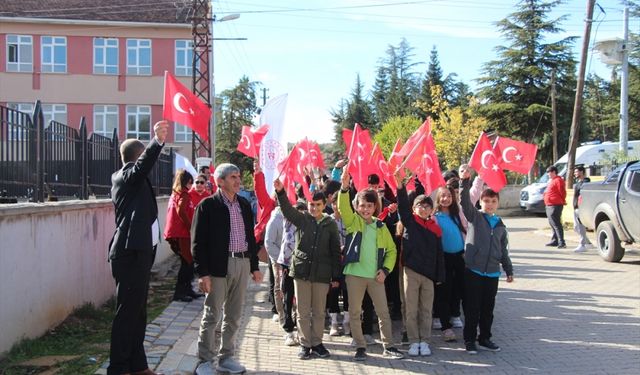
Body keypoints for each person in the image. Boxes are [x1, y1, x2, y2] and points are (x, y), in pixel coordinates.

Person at [107, 120, 168, 375]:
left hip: (140, 252)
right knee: (127, 314)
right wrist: (157, 142)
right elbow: (140, 168)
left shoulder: (135, 180)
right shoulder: (124, 176)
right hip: (128, 254)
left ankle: (138, 365)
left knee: (138, 312)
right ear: (139, 155)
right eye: (144, 155)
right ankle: (119, 368)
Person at [192, 163, 263, 375]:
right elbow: (198, 243)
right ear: (220, 181)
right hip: (218, 267)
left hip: (241, 263)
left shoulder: (242, 204)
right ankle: (205, 361)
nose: (238, 180)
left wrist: (254, 266)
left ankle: (227, 358)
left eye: (238, 176)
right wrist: (202, 273)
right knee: (213, 314)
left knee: (234, 314)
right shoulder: (207, 206)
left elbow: (249, 237)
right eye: (233, 177)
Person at [338, 168, 404, 361]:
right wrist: (344, 186)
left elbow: (392, 251)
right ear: (357, 207)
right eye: (362, 206)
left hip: (376, 277)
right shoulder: (352, 222)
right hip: (354, 276)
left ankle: (389, 346)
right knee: (355, 312)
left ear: (375, 207)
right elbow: (343, 208)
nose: (366, 209)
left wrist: (385, 270)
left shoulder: (381, 226)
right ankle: (360, 346)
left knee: (383, 312)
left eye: (369, 206)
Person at [274, 179, 342, 360]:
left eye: (318, 205)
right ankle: (305, 344)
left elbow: (336, 251)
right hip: (301, 272)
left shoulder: (330, 224)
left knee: (319, 311)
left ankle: (317, 343)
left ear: (324, 205)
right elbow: (288, 210)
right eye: (311, 205)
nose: (314, 208)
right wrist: (281, 192)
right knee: (303, 311)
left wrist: (336, 276)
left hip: (322, 274)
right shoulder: (302, 219)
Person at [459, 169, 514, 355]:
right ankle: (469, 340)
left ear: (498, 203)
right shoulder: (475, 217)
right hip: (473, 270)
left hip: (492, 273)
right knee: (472, 308)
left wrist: (508, 269)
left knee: (487, 309)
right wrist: (464, 181)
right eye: (486, 201)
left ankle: (484, 338)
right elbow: (464, 202)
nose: (490, 204)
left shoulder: (500, 225)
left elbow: (503, 250)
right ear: (480, 202)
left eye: (493, 201)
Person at [394, 171, 445, 357]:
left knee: (426, 309)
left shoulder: (436, 229)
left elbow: (440, 255)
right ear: (414, 209)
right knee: (411, 308)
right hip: (411, 271)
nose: (423, 209)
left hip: (429, 274)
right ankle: (413, 341)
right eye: (419, 206)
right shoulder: (410, 222)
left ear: (432, 209)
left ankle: (425, 341)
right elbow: (402, 207)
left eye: (427, 206)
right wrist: (400, 186)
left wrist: (440, 275)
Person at [433, 186, 467, 342]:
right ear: (438, 198)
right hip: (443, 258)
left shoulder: (457, 214)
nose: (445, 199)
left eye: (448, 196)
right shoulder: (434, 216)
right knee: (444, 291)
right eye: (442, 196)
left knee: (458, 288)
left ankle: (455, 314)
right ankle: (445, 325)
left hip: (460, 257)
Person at [164, 169, 202, 302]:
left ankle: (187, 290)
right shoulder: (184, 194)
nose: (192, 185)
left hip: (177, 233)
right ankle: (180, 293)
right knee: (188, 263)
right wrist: (192, 228)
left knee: (188, 263)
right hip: (181, 234)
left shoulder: (176, 194)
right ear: (185, 182)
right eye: (191, 182)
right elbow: (181, 211)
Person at [544, 165, 567, 249]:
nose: (548, 174)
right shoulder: (552, 181)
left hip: (555, 205)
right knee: (552, 223)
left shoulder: (558, 180)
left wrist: (560, 200)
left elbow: (562, 192)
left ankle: (562, 242)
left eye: (549, 172)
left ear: (554, 172)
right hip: (550, 205)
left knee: (556, 224)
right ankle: (555, 240)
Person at [572, 166, 593, 253]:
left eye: (577, 172)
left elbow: (583, 191)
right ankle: (588, 243)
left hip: (582, 207)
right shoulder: (578, 182)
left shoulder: (586, 181)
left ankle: (582, 244)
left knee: (581, 227)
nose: (575, 173)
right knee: (576, 227)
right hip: (576, 207)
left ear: (582, 172)